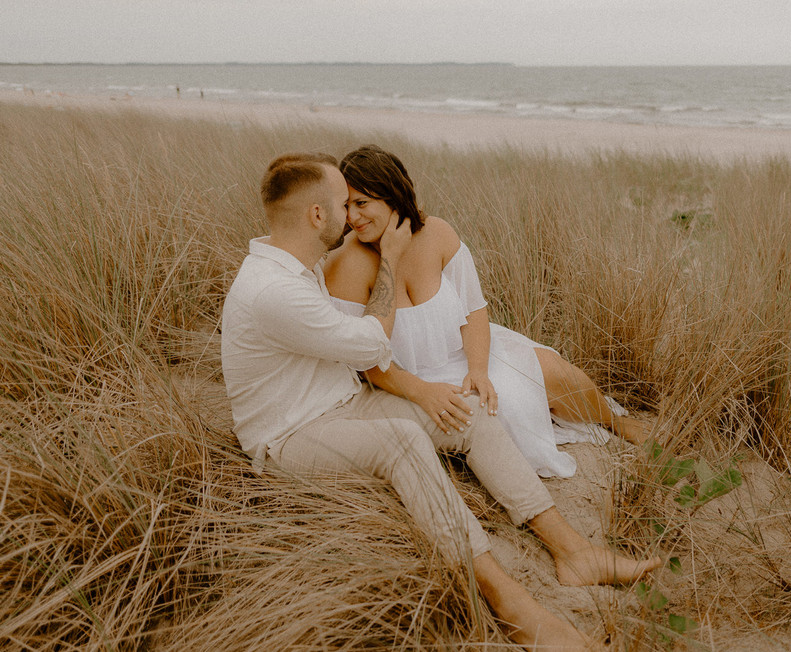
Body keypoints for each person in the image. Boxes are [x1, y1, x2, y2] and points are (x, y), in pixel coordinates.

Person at [220, 152, 662, 651]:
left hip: (339, 403)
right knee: (403, 440)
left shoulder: (296, 268)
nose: (352, 216)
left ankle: (573, 550)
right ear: (318, 216)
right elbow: (370, 347)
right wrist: (387, 260)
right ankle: (511, 604)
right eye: (346, 204)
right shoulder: (273, 289)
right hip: (289, 437)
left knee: (465, 412)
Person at [324, 145, 652, 479]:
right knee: (503, 410)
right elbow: (365, 362)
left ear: (393, 197)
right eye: (347, 206)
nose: (352, 217)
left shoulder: (437, 232)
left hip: (469, 352)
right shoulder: (347, 264)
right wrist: (423, 392)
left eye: (362, 203)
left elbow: (475, 309)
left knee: (550, 371)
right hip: (411, 381)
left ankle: (614, 421)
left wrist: (479, 369)